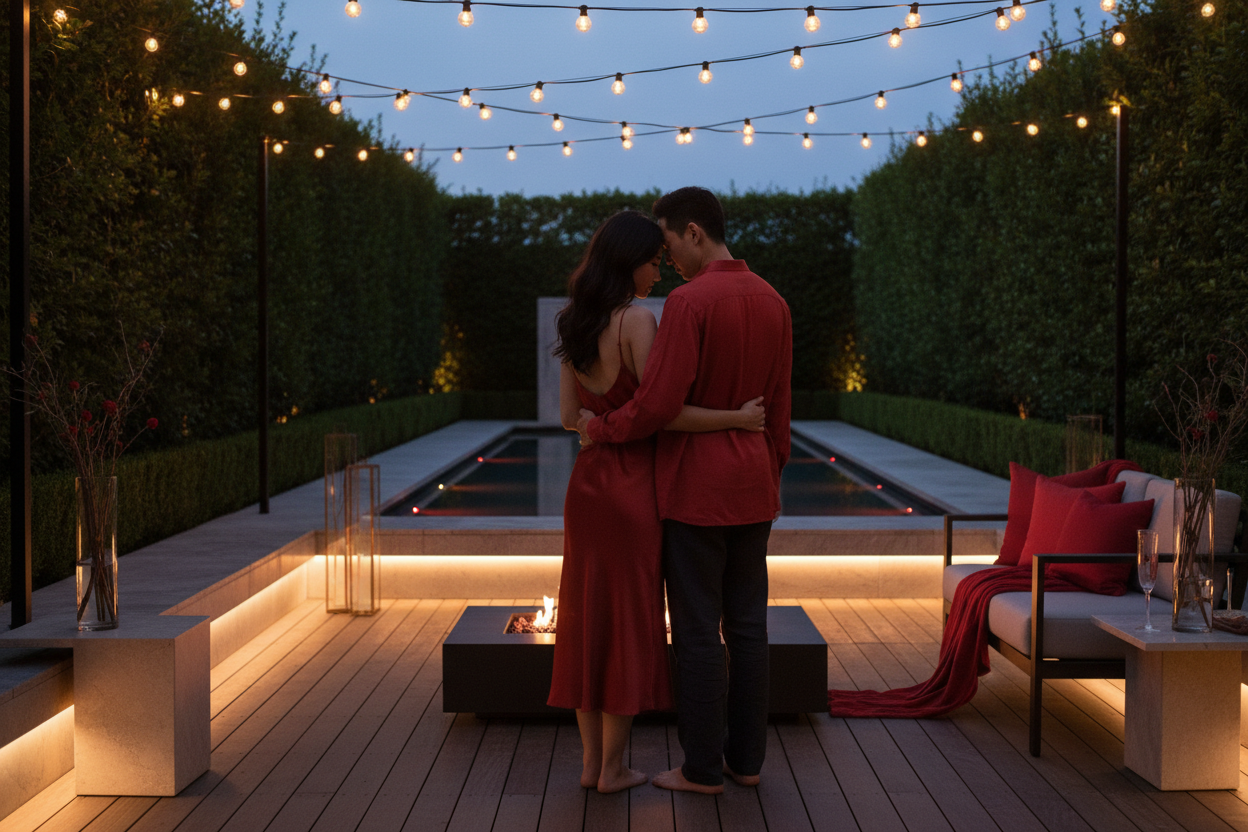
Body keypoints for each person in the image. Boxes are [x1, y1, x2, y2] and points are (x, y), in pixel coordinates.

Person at [579, 187, 792, 795]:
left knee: (698, 631)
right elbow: (779, 411)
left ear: (694, 232)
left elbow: (657, 405)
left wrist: (601, 429)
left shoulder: (689, 303)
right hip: (754, 487)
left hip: (696, 493)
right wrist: (769, 472)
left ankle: (701, 770)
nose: (668, 259)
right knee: (748, 628)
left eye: (670, 244)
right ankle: (746, 763)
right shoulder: (774, 301)